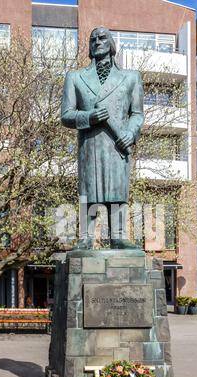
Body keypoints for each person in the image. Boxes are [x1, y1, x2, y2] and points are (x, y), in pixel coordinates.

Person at [61, 27, 144, 249]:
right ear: (89, 46)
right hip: (90, 145)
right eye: (93, 39)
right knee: (89, 191)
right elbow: (66, 115)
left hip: (117, 145)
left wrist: (130, 133)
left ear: (112, 44)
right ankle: (86, 237)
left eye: (102, 38)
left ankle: (118, 236)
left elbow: (137, 113)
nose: (97, 41)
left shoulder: (131, 77)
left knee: (117, 191)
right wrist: (89, 116)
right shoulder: (75, 77)